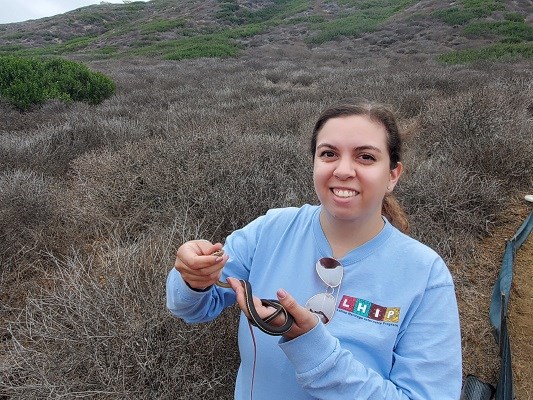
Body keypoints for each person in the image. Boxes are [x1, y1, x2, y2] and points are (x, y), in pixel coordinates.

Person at [166, 99, 462, 399]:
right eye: (329, 154)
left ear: (393, 175)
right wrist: (193, 277)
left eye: (366, 157)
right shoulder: (270, 229)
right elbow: (191, 307)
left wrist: (312, 347)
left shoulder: (425, 274)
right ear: (314, 163)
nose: (344, 170)